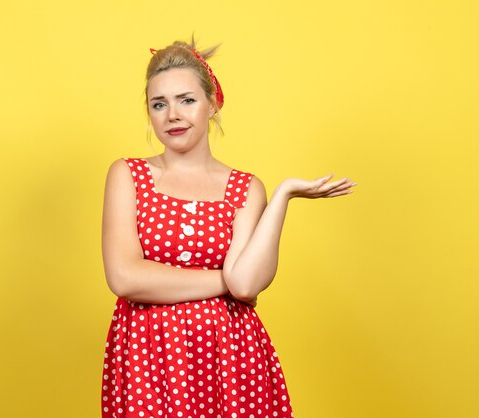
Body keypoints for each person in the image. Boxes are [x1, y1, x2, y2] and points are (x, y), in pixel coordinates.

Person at [100, 36, 355, 418]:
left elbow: (248, 284)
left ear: (212, 104)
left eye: (186, 100)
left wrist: (282, 195)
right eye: (159, 104)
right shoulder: (128, 175)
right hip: (147, 357)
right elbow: (124, 278)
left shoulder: (246, 189)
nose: (172, 115)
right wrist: (225, 281)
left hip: (231, 359)